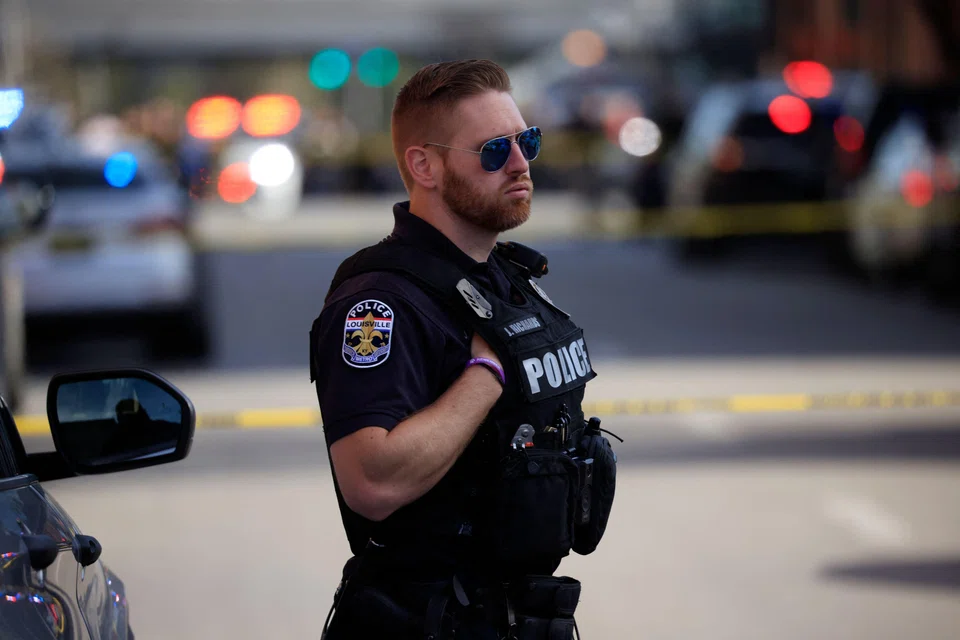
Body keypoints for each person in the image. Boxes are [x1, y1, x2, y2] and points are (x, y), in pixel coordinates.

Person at [310, 59, 619, 640]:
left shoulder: (503, 279)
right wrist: (487, 371)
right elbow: (371, 483)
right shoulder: (379, 301)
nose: (522, 163)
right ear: (424, 165)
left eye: (527, 141)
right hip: (424, 622)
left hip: (520, 614)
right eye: (494, 150)